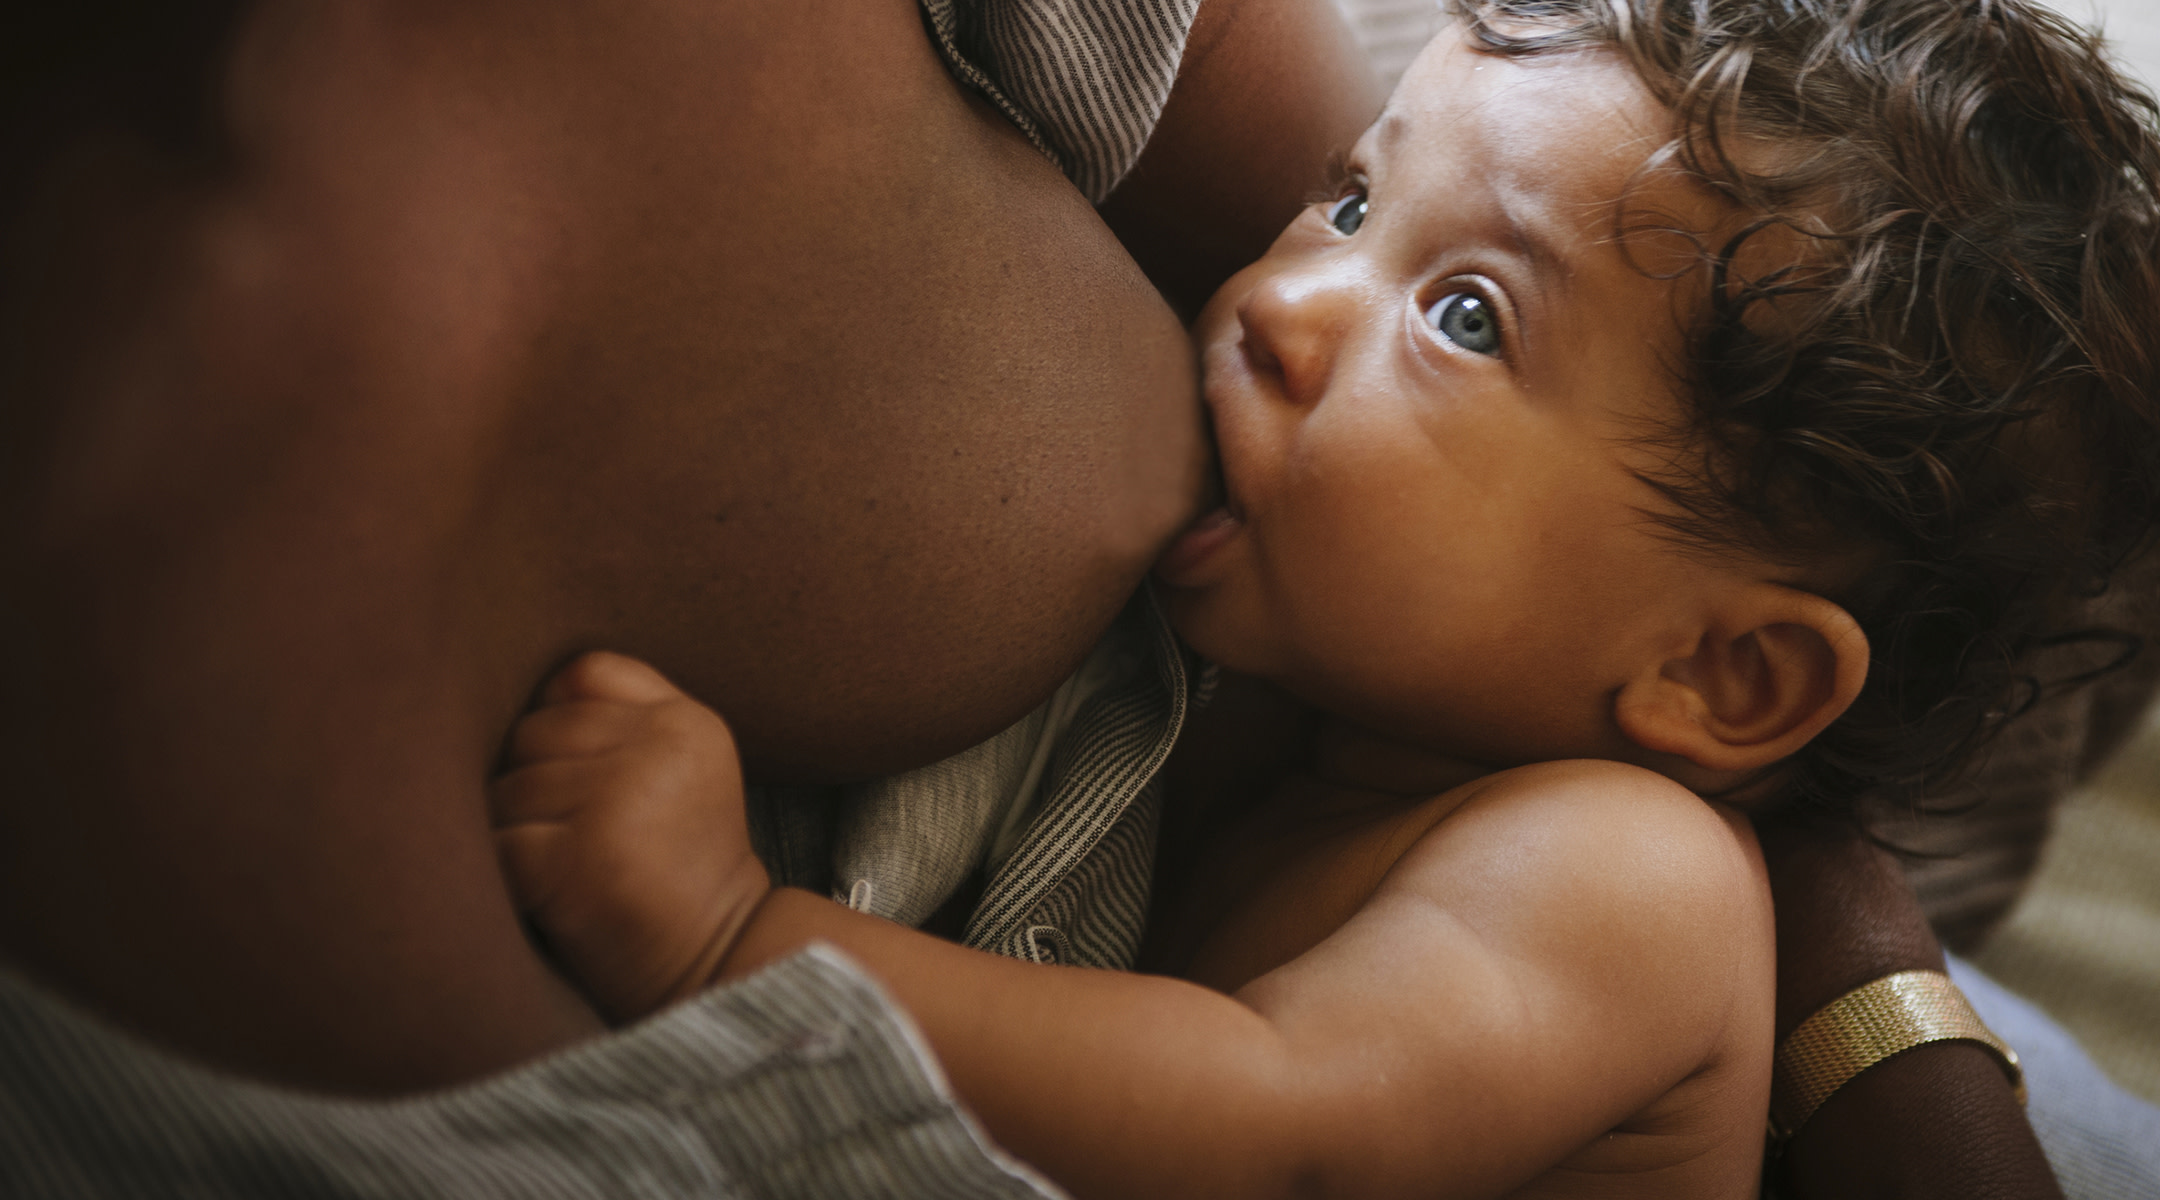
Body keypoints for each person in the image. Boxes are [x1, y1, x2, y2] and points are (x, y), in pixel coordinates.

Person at [0, 0, 2107, 1195]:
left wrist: (746, 937)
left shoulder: (1624, 870)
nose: (1280, 299)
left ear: (1725, 675)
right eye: (1354, 200)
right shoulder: (1335, 717)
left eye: (1462, 314)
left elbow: (1278, 1121)